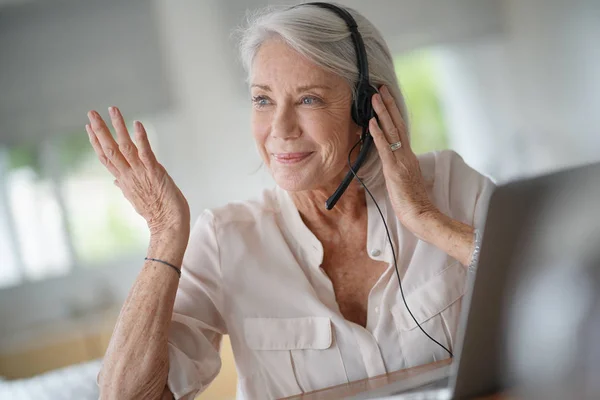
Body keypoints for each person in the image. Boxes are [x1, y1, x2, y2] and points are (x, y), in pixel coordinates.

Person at [90, 3, 494, 399]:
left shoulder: (449, 185)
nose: (279, 129)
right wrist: (165, 233)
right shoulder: (224, 240)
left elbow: (552, 293)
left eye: (308, 99)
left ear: (365, 106)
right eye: (263, 100)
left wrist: (427, 220)